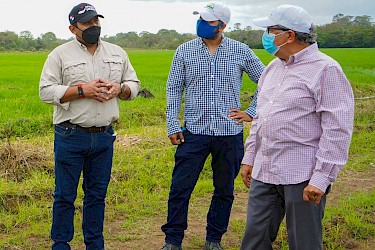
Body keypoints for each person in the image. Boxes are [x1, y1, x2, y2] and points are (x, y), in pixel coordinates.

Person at [240, 4, 354, 250]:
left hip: (302, 176)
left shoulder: (326, 69)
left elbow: (337, 129)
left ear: (289, 35)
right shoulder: (271, 68)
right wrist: (250, 157)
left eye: (270, 31)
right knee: (254, 240)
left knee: (304, 242)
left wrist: (322, 177)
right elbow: (260, 118)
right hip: (265, 170)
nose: (266, 37)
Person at [161, 2, 265, 250]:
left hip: (229, 133)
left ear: (222, 25)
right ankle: (173, 240)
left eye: (208, 21)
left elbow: (268, 81)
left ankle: (214, 239)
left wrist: (251, 112)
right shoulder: (184, 51)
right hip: (193, 132)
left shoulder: (240, 51)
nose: (201, 24)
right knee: (180, 188)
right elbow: (174, 88)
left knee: (224, 190)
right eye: (200, 19)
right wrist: (172, 123)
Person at [39, 3, 140, 249]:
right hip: (70, 135)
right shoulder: (59, 55)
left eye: (96, 21)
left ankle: (95, 244)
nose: (94, 26)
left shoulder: (117, 52)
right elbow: (45, 91)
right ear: (73, 28)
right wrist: (82, 90)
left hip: (104, 137)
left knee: (96, 196)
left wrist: (121, 89)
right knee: (64, 196)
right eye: (87, 23)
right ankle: (61, 244)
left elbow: (133, 83)